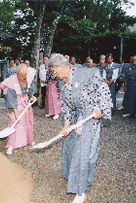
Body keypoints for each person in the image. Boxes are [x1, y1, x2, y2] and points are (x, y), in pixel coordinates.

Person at [47, 53, 112, 203]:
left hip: (90, 116)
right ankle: (73, 178)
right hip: (77, 116)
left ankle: (81, 191)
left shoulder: (87, 74)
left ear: (62, 66)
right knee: (69, 146)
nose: (54, 75)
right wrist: (66, 124)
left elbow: (104, 92)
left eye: (55, 71)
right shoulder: (63, 82)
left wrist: (101, 110)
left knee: (84, 153)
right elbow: (66, 104)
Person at [0, 64, 36, 155]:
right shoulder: (11, 82)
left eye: (24, 76)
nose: (22, 78)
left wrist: (32, 97)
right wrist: (16, 115)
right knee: (14, 123)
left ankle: (28, 140)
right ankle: (11, 146)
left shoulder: (27, 79)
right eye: (20, 76)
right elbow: (11, 100)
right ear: (17, 73)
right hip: (15, 106)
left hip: (25, 104)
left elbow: (29, 91)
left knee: (28, 122)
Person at [122, 55, 136, 119]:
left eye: (135, 60)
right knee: (129, 99)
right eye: (132, 60)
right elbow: (126, 78)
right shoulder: (128, 67)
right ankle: (128, 112)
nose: (133, 61)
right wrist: (125, 87)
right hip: (129, 85)